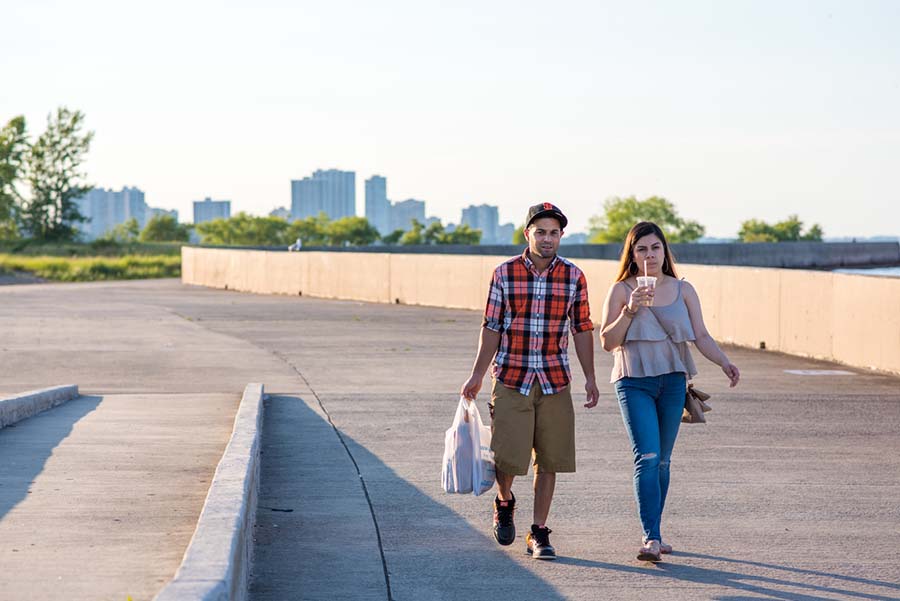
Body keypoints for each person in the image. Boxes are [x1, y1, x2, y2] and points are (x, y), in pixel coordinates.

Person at [461, 202, 599, 561]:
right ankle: (504, 500)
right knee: (507, 458)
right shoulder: (504, 273)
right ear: (528, 234)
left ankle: (538, 531)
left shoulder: (574, 276)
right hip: (511, 377)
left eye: (554, 232)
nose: (548, 238)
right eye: (541, 232)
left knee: (550, 459)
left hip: (555, 379)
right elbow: (491, 327)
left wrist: (591, 378)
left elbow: (582, 328)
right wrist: (477, 374)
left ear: (561, 236)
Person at [599, 221, 740, 562]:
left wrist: (724, 362)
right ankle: (651, 538)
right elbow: (607, 342)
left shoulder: (683, 289)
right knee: (646, 457)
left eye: (655, 247)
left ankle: (656, 532)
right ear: (632, 255)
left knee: (662, 461)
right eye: (641, 249)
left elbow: (701, 336)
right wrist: (631, 308)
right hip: (634, 381)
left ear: (665, 251)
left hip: (673, 381)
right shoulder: (621, 290)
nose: (650, 255)